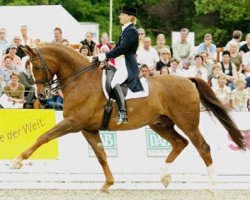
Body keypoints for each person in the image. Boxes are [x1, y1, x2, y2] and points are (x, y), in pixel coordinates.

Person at [97, 6, 143, 125]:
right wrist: (103, 58)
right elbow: (117, 47)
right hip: (121, 62)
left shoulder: (132, 31)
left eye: (122, 15)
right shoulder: (125, 30)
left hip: (128, 63)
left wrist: (105, 56)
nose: (119, 16)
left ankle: (123, 113)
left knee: (114, 82)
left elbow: (123, 49)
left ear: (129, 17)